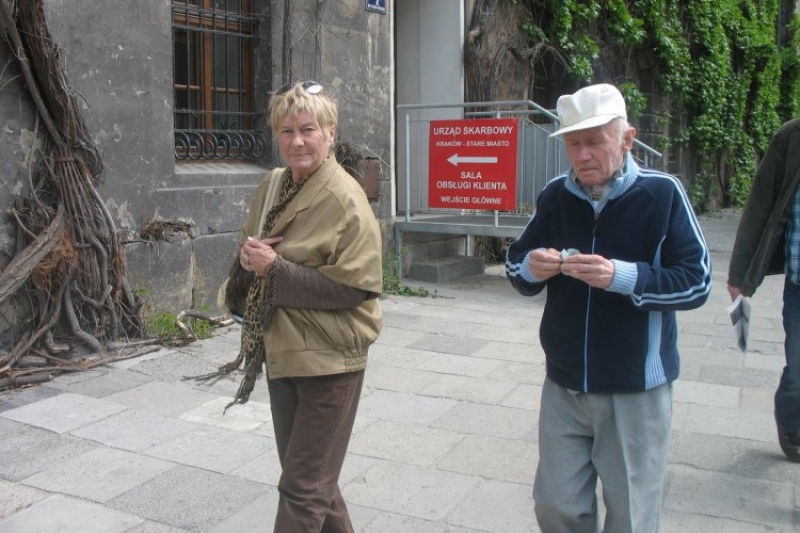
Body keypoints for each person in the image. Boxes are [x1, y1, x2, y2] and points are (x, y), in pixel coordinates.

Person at [505, 83, 711, 533]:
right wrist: (533, 269)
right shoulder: (555, 195)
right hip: (564, 386)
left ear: (628, 139)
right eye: (574, 144)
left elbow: (696, 282)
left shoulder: (663, 194)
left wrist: (624, 276)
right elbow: (516, 264)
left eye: (595, 141)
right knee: (556, 506)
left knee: (632, 517)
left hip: (635, 388)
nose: (582, 156)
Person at [221, 80, 383, 533]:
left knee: (301, 491)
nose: (297, 141)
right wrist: (250, 257)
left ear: (330, 133)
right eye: (287, 131)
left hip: (332, 360)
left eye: (308, 129)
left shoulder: (345, 199)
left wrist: (275, 269)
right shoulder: (273, 185)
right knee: (315, 486)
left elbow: (357, 289)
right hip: (283, 350)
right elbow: (251, 250)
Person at [728, 116, 800, 462]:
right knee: (798, 370)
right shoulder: (791, 138)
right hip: (799, 285)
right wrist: (740, 274)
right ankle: (791, 416)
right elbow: (759, 208)